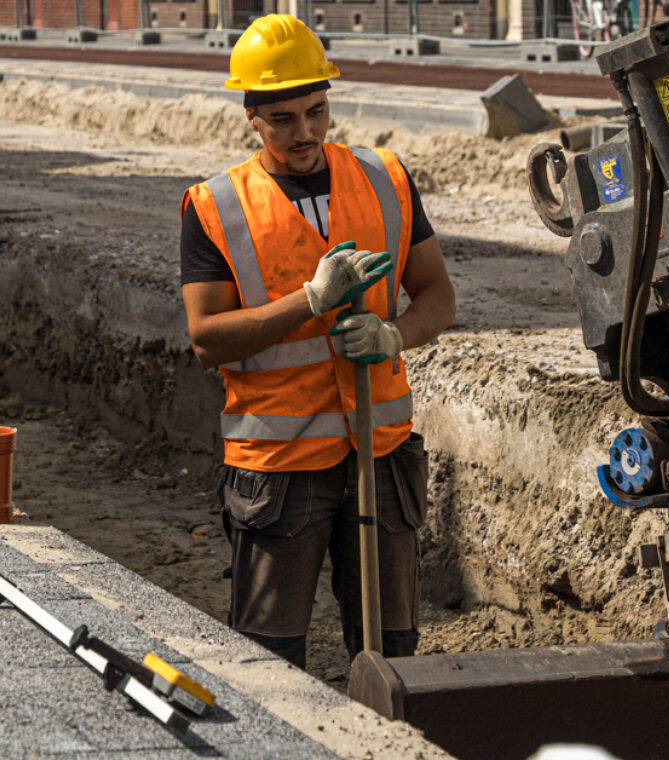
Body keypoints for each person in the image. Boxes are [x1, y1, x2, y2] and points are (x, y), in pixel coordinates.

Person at [178, 13, 456, 671]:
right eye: (283, 119)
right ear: (252, 117)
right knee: (269, 657)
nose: (304, 132)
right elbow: (205, 339)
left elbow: (438, 296)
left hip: (379, 453)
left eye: (316, 111)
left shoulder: (385, 177)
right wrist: (308, 301)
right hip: (280, 466)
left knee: (392, 653)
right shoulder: (216, 204)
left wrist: (393, 335)